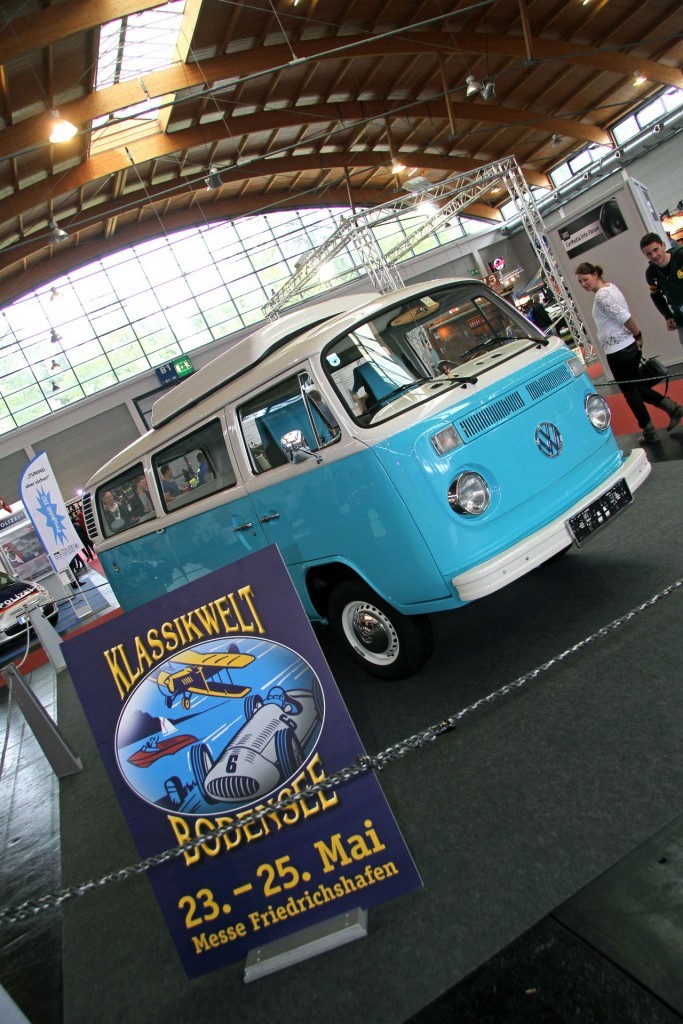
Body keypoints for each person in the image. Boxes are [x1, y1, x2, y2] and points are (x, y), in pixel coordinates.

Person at [575, 261, 683, 444]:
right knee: (634, 387)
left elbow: (625, 317)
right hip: (628, 346)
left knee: (630, 392)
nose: (583, 284)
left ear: (595, 274)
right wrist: (635, 337)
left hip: (618, 351)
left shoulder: (601, 296)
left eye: (585, 279)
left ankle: (650, 429)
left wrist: (638, 334)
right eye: (580, 282)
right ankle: (671, 408)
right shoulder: (611, 288)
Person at [639, 233, 683, 347]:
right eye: (649, 254)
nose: (654, 256)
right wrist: (668, 316)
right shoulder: (651, 273)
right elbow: (655, 295)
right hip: (681, 317)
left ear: (663, 245)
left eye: (656, 250)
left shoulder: (680, 256)